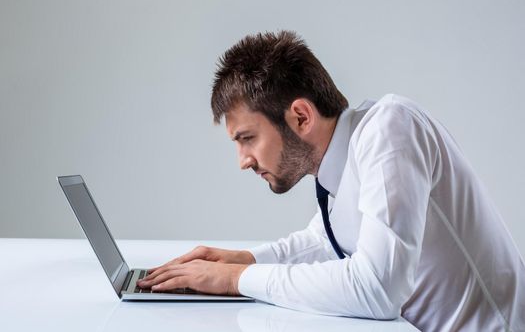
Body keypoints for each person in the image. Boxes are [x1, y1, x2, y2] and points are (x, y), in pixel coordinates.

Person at [137, 31, 525, 331]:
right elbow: (324, 240)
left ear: (301, 117)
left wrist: (237, 279)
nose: (244, 161)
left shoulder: (390, 128)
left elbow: (377, 289)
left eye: (247, 138)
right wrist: (245, 259)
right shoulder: (340, 166)